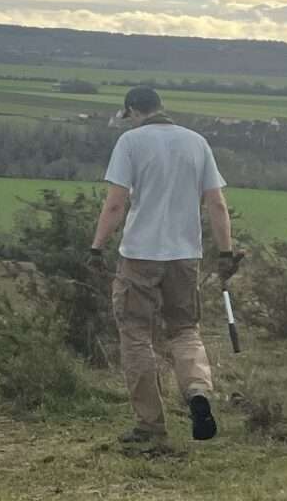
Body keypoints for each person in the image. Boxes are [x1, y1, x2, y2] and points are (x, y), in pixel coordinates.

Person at [90, 85, 239, 452]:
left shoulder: (131, 142)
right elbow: (217, 204)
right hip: (185, 255)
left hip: (139, 255)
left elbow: (115, 205)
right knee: (186, 331)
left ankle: (150, 426)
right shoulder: (196, 142)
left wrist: (96, 247)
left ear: (132, 111)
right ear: (160, 106)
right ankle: (197, 392)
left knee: (136, 335)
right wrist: (225, 252)